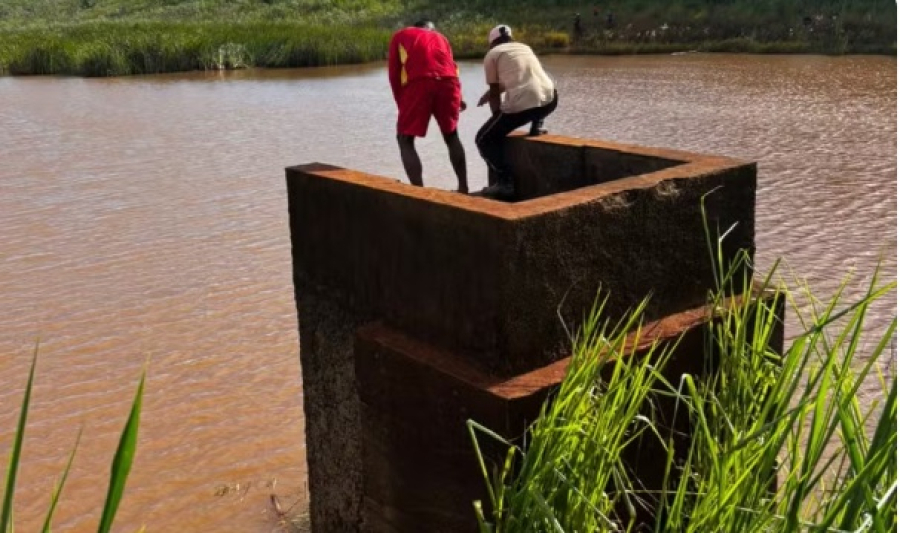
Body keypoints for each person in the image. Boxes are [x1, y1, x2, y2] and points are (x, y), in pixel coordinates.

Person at [475, 24, 558, 199]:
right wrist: (491, 94)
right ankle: (537, 126)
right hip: (550, 100)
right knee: (537, 94)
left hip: (522, 106)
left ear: (492, 43)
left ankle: (505, 182)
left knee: (483, 139)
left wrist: (496, 121)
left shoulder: (492, 55)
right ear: (510, 38)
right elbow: (522, 78)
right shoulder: (524, 48)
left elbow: (496, 92)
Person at [388, 19, 469, 193]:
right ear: (430, 28)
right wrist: (459, 96)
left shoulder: (401, 35)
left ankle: (419, 193)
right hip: (449, 84)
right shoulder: (442, 38)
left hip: (419, 83)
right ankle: (463, 188)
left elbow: (394, 73)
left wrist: (401, 103)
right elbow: (452, 68)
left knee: (404, 138)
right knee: (451, 135)